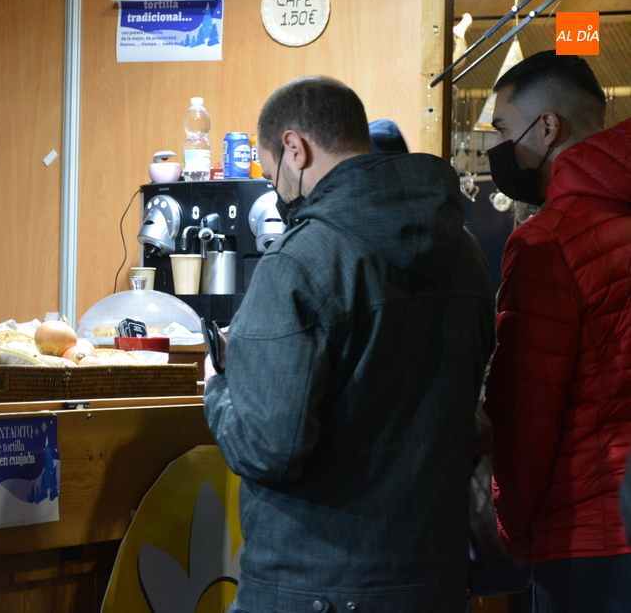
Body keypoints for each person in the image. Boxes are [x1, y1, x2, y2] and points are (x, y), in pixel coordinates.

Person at [202, 76, 495, 612]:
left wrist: (217, 387)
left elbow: (270, 450)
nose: (278, 192)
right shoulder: (467, 255)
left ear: (296, 147)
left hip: (313, 584)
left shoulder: (298, 260)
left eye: (272, 176)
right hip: (436, 579)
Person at [482, 50, 631, 612]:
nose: (502, 148)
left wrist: (516, 527)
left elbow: (527, 411)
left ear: (547, 128)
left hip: (590, 537)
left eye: (502, 129)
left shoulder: (549, 241)